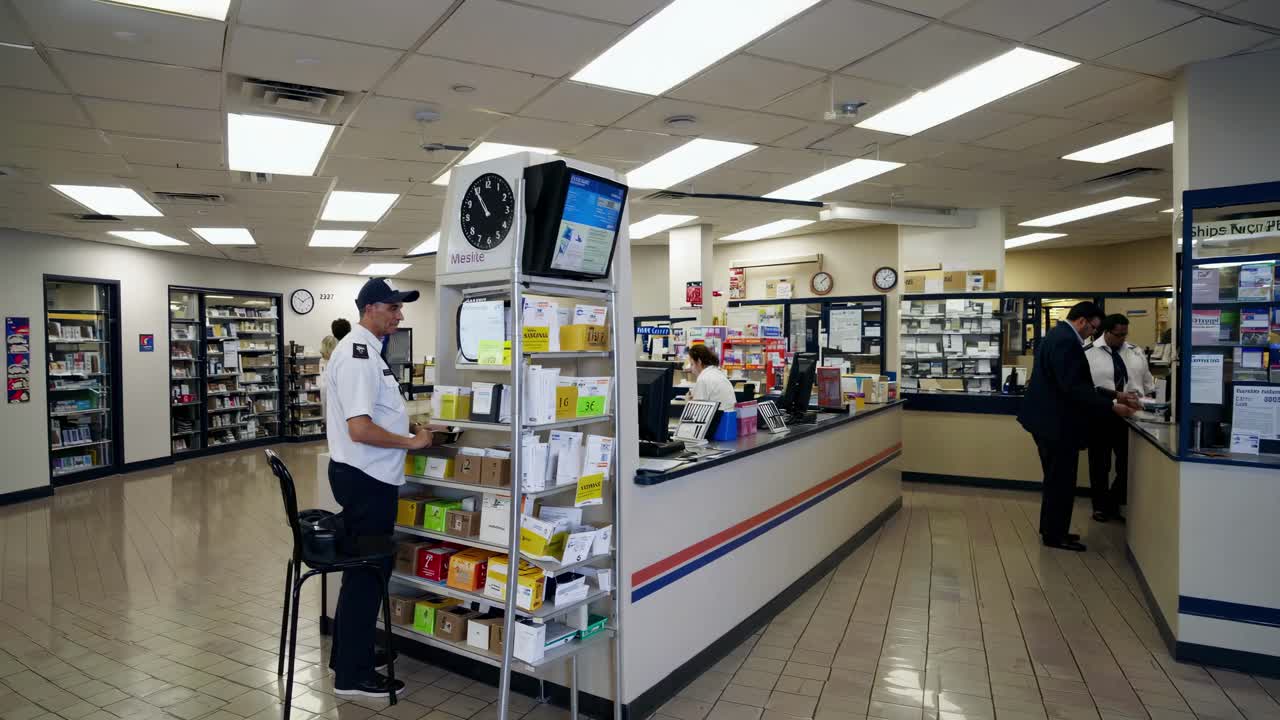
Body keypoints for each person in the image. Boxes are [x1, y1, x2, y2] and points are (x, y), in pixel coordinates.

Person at [325, 278, 441, 696]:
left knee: (364, 571)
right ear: (370, 308)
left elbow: (376, 412)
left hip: (365, 476)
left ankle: (347, 655)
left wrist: (408, 425)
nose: (400, 314)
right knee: (368, 574)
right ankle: (352, 676)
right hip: (366, 478)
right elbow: (359, 428)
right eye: (393, 307)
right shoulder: (358, 356)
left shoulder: (368, 353)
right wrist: (410, 442)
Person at [1016, 301, 1137, 552]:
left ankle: (1052, 529)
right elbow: (1073, 388)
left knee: (1056, 480)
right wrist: (1112, 405)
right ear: (1082, 320)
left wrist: (1115, 394)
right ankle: (1054, 535)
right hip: (1055, 424)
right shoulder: (1065, 341)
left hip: (1049, 422)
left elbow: (1076, 384)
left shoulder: (1058, 336)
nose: (1092, 333)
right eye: (1092, 328)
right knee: (1061, 480)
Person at [1085, 314, 1155, 523]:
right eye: (1118, 335)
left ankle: (1113, 503)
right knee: (1100, 464)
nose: (1122, 339)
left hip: (1132, 416)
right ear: (1106, 332)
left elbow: (1147, 384)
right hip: (1102, 415)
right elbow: (1087, 390)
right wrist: (1115, 403)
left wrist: (1147, 400)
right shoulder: (1087, 354)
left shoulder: (1135, 352)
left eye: (1125, 334)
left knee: (1128, 463)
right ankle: (1100, 507)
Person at [685, 343, 738, 412]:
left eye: (692, 364)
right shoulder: (718, 373)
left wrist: (688, 403)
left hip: (717, 421)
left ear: (699, 362)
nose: (691, 369)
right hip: (729, 419)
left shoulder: (703, 379)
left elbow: (696, 413)